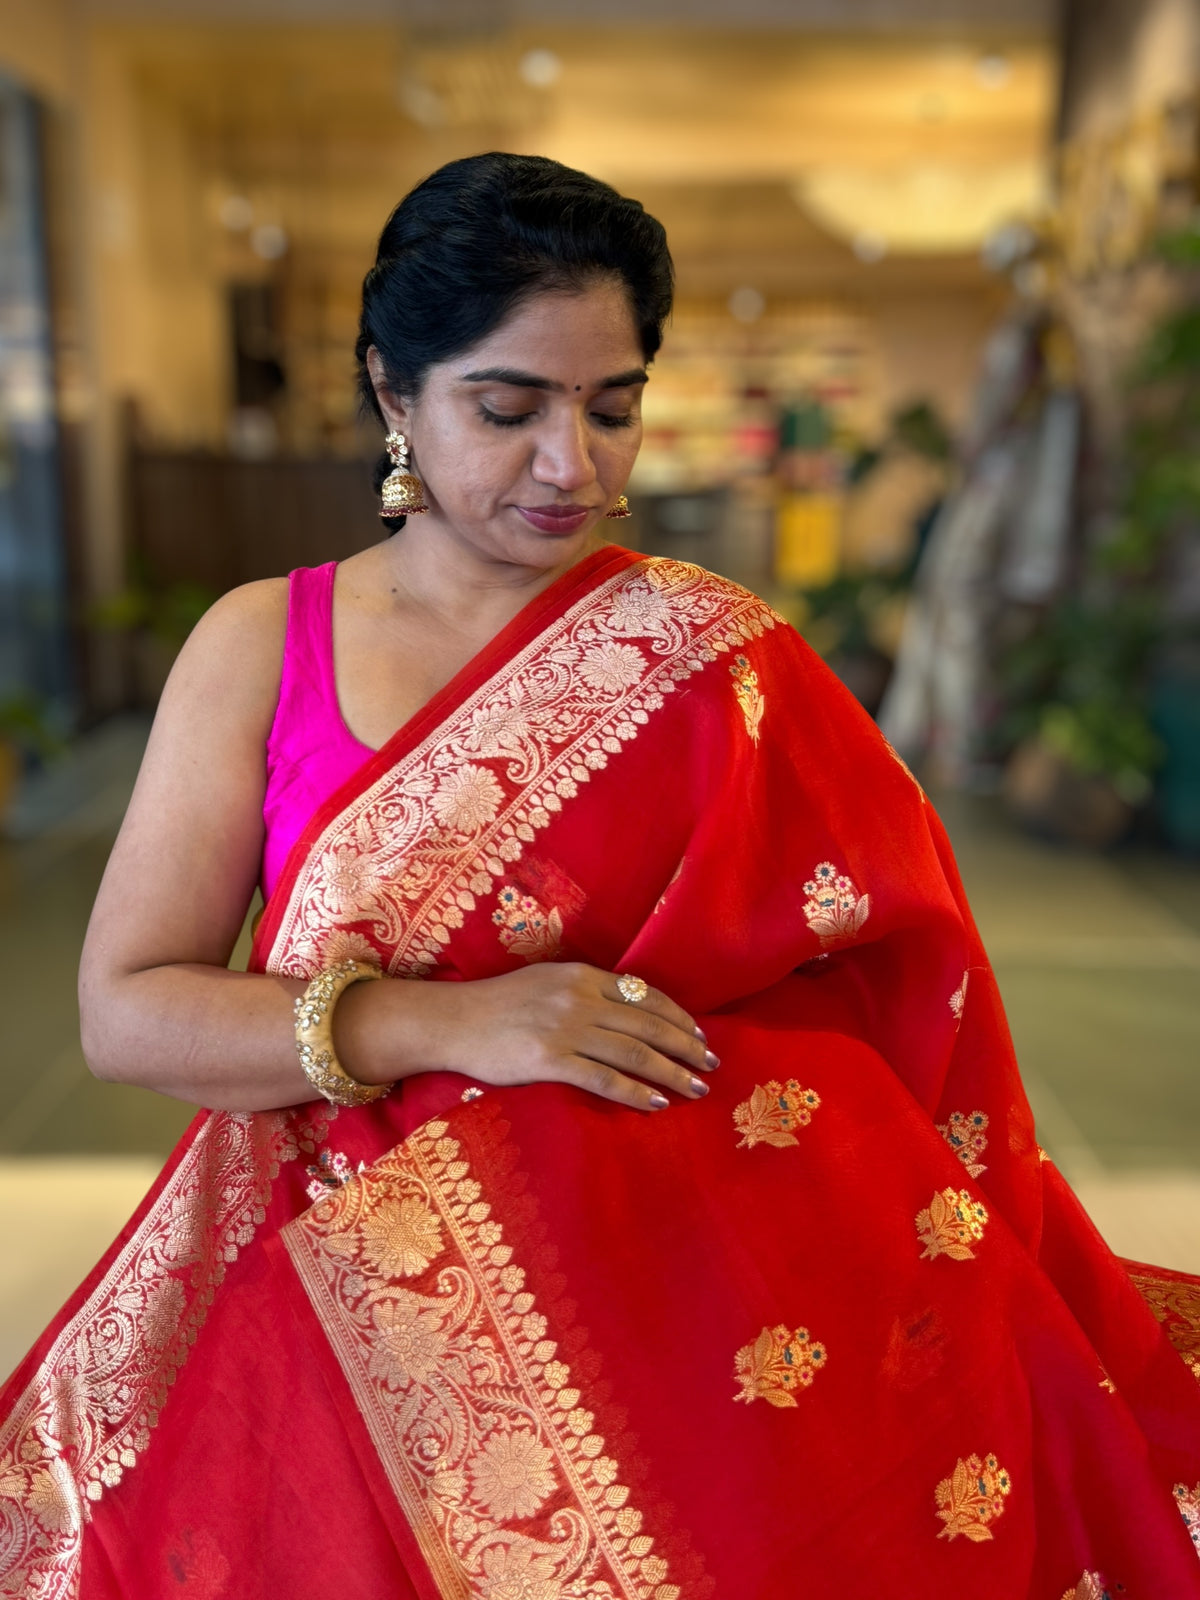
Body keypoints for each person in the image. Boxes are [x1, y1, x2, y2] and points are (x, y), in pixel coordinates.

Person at [1, 153, 1198, 1600]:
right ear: (394, 391)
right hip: (337, 1302)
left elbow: (896, 973)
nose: (573, 465)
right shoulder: (262, 643)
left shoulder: (717, 658)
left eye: (614, 406)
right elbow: (127, 1012)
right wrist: (442, 1024)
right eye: (508, 410)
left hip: (689, 1301)